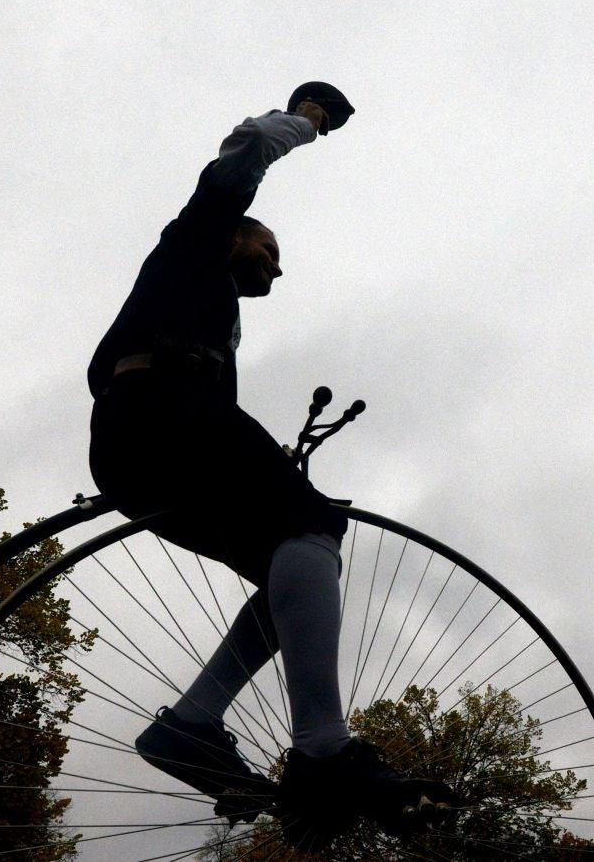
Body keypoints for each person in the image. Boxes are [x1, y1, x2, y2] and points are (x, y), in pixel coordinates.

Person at [86, 83, 454, 847]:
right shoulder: (195, 240)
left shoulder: (209, 316)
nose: (278, 270)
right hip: (161, 413)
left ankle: (190, 725)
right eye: (269, 250)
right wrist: (308, 117)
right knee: (315, 525)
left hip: (141, 442)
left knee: (290, 571)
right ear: (233, 237)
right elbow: (244, 150)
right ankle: (324, 748)